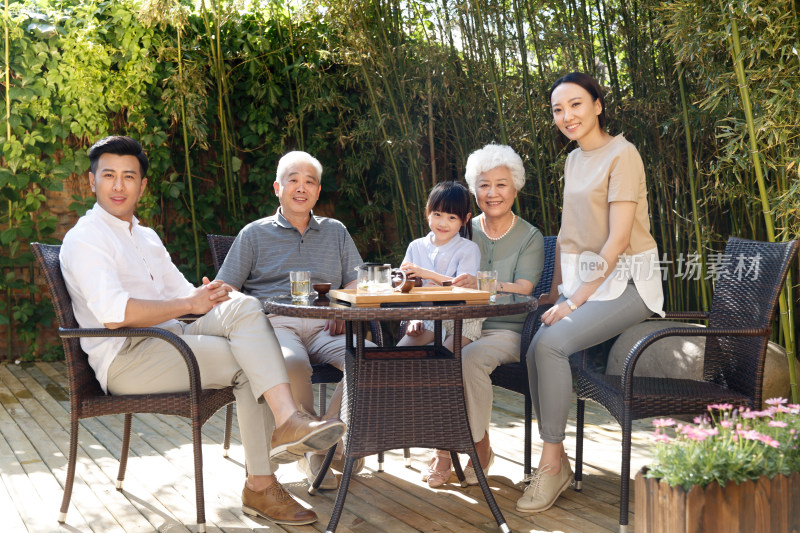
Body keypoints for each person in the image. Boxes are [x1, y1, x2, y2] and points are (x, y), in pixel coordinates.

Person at [60, 136, 346, 526]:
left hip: (171, 337)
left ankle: (285, 427)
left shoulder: (144, 236)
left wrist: (208, 295)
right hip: (128, 358)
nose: (118, 185)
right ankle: (265, 476)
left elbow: (183, 295)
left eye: (129, 176)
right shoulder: (86, 237)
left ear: (142, 186)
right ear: (90, 181)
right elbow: (114, 315)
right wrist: (189, 305)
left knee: (243, 305)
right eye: (108, 175)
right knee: (254, 362)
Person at [516, 72, 664, 513]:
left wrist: (574, 302)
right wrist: (558, 291)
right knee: (534, 347)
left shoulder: (624, 155)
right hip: (588, 281)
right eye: (558, 110)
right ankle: (555, 461)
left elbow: (617, 240)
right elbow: (567, 234)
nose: (567, 116)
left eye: (576, 105)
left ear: (598, 105)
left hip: (630, 282)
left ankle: (551, 464)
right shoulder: (573, 160)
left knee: (552, 347)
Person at [215, 150, 370, 490]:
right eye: (293, 181)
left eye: (309, 182)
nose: (301, 188)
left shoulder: (336, 231)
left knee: (369, 357)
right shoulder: (253, 234)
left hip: (327, 324)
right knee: (291, 364)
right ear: (277, 188)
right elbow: (227, 286)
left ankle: (323, 438)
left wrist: (344, 307)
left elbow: (358, 280)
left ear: (317, 192)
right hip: (277, 325)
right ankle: (311, 451)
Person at [422, 144, 545, 488]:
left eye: (501, 184)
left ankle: (478, 446)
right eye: (484, 185)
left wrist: (485, 282)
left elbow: (525, 287)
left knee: (467, 359)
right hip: (457, 322)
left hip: (505, 328)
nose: (492, 193)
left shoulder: (530, 236)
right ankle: (443, 450)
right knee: (436, 355)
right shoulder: (459, 226)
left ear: (515, 187)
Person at [397, 181, 482, 354]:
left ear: (465, 219)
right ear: (428, 211)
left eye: (452, 217)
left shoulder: (468, 249)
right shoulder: (416, 246)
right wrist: (412, 318)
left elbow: (463, 288)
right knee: (398, 354)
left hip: (463, 319)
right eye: (437, 214)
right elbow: (403, 287)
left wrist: (426, 273)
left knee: (441, 361)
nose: (443, 223)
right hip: (427, 318)